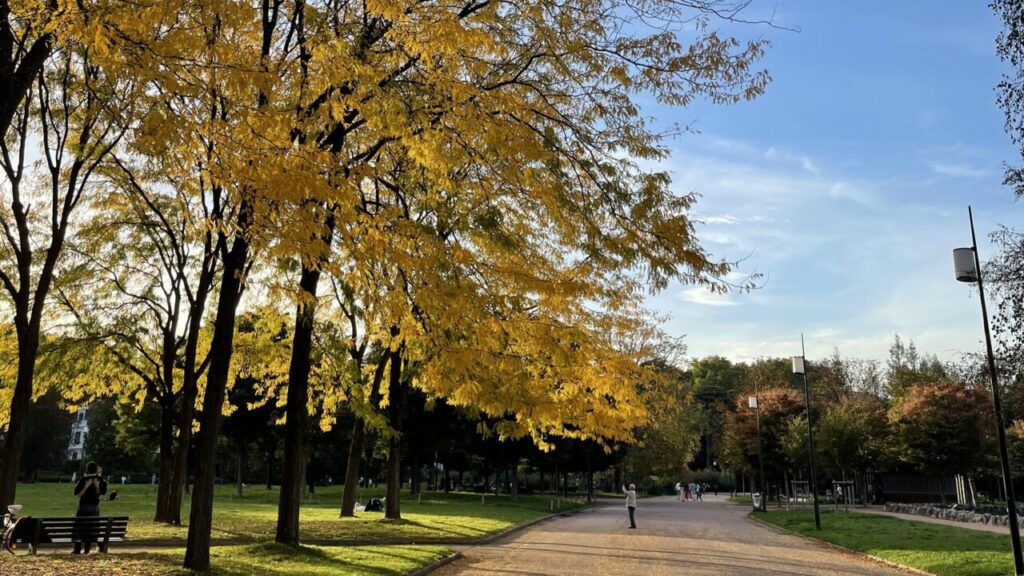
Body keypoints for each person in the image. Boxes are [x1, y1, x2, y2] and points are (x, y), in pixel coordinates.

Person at [73, 462, 107, 554]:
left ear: (87, 470)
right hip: (94, 507)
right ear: (96, 470)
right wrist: (96, 486)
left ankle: (77, 548)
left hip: (83, 506)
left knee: (80, 527)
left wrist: (86, 486)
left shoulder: (83, 479)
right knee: (92, 527)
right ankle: (87, 548)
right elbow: (102, 493)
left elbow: (76, 493)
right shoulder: (100, 480)